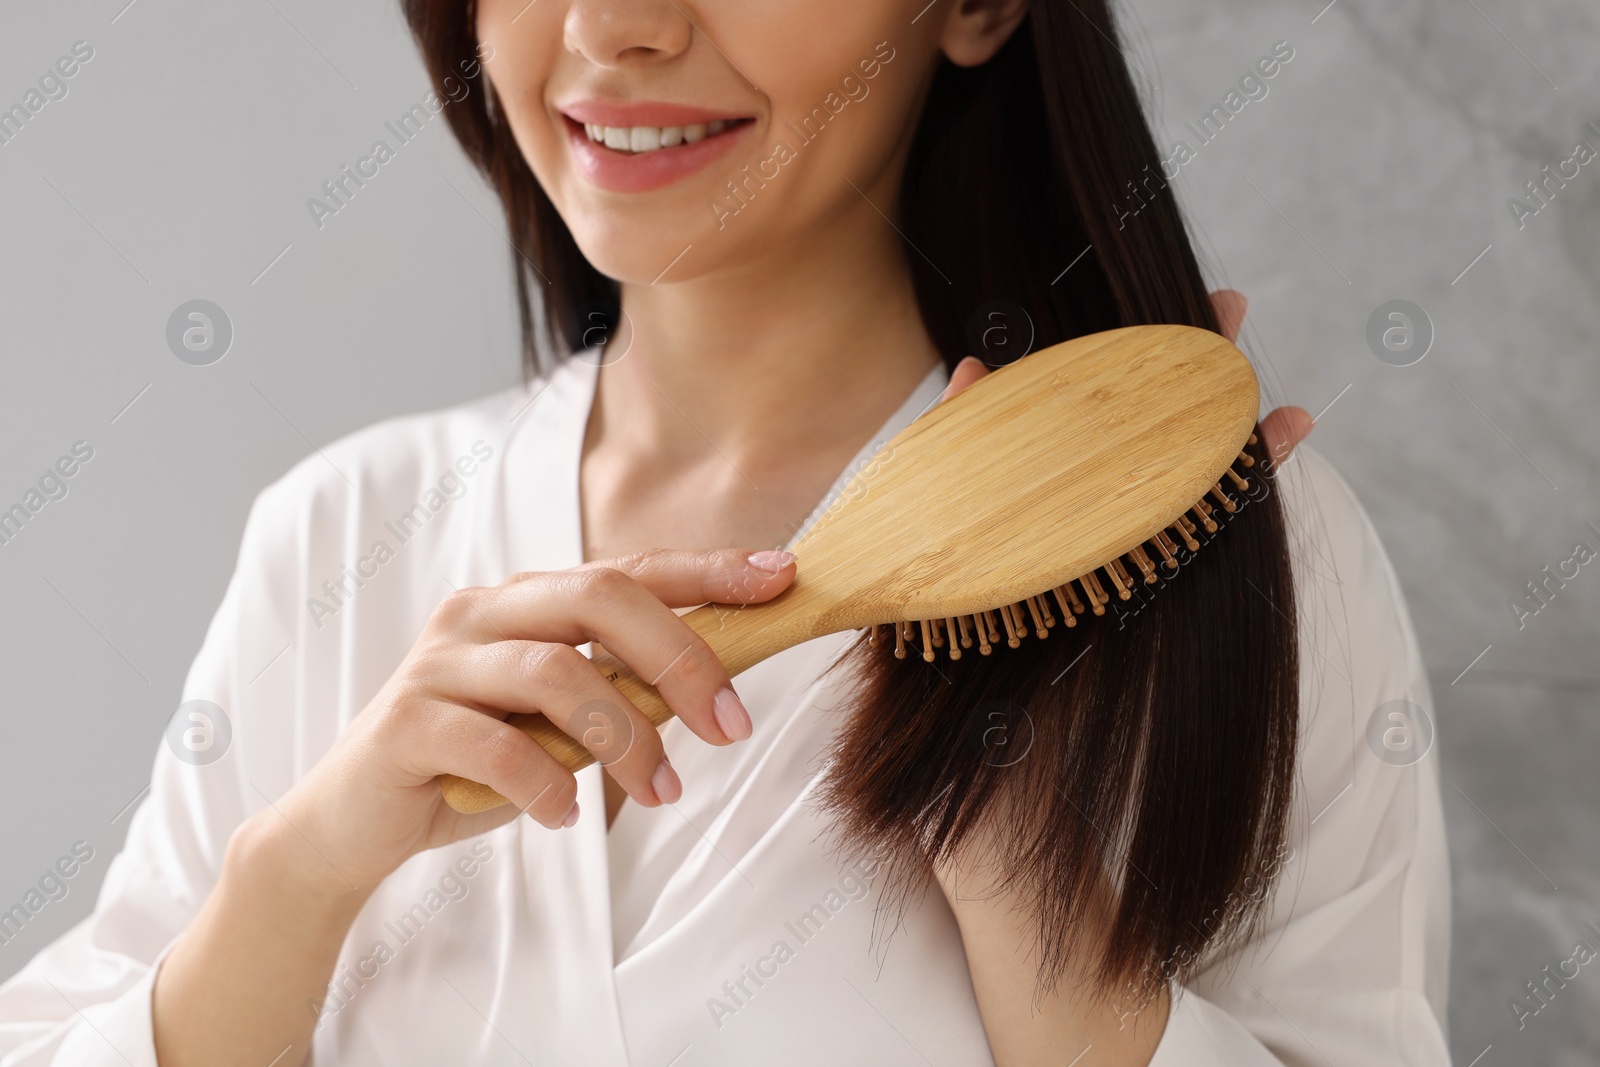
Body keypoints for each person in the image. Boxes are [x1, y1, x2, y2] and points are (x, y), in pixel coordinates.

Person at [0, 1, 1449, 1064]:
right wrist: (296, 874)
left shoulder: (1229, 560)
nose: (610, 26)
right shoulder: (343, 533)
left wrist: (1036, 898)